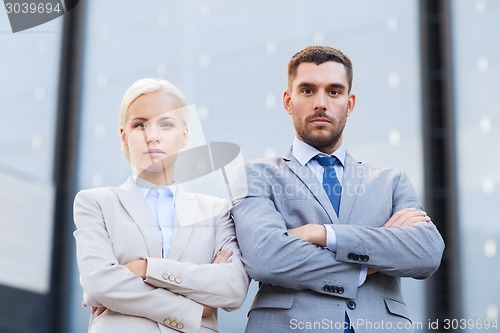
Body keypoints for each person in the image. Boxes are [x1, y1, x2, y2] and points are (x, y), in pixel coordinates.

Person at [231, 46, 445, 333]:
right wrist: (369, 263)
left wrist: (321, 234)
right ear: (288, 100)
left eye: (334, 91)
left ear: (350, 102)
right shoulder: (255, 175)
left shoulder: (391, 181)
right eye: (307, 91)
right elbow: (266, 258)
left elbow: (426, 252)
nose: (321, 103)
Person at [73, 78, 249, 333]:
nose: (152, 136)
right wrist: (196, 309)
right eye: (140, 125)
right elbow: (99, 285)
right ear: (124, 136)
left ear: (185, 135)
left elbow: (232, 289)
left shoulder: (216, 211)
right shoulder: (96, 203)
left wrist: (146, 268)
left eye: (166, 124)